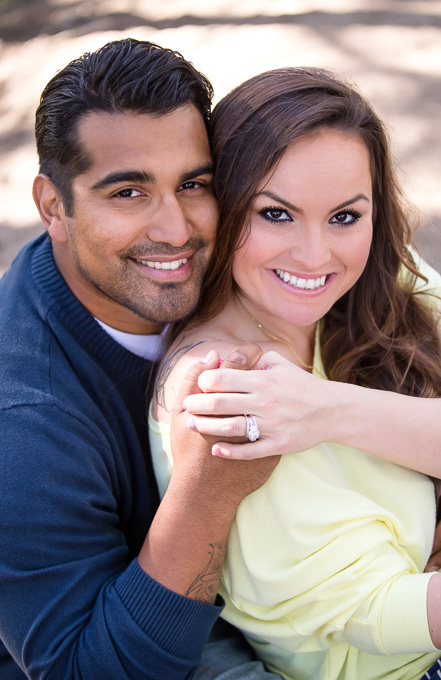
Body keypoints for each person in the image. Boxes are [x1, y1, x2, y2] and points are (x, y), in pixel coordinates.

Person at [150, 67, 441, 680]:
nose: (316, 256)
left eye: (345, 216)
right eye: (276, 214)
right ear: (225, 207)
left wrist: (328, 409)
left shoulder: (384, 278)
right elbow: (372, 613)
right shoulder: (221, 391)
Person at [0, 38, 283, 680]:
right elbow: (82, 670)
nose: (176, 229)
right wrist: (207, 493)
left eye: (193, 184)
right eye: (127, 193)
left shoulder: (228, 253)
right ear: (54, 207)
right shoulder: (22, 422)